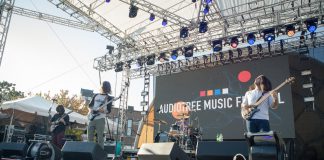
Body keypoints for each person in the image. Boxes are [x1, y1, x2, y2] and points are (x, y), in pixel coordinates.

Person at [87, 81, 114, 148]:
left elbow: (108, 111)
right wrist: (91, 110)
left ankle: (100, 153)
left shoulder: (109, 98)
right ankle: (89, 150)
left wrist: (102, 110)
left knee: (100, 137)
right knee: (89, 136)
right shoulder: (96, 95)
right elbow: (89, 105)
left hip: (100, 119)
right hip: (92, 118)